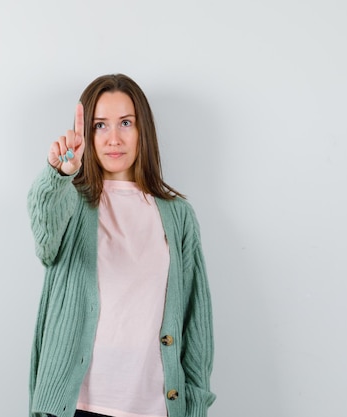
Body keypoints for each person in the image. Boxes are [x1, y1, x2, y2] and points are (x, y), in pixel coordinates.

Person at [27, 74, 215, 417]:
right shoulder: (71, 201)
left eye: (125, 123)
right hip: (77, 406)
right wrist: (59, 175)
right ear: (86, 134)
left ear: (143, 129)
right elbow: (45, 236)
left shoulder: (178, 215)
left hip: (156, 407)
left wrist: (195, 405)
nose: (114, 138)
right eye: (100, 125)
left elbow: (195, 320)